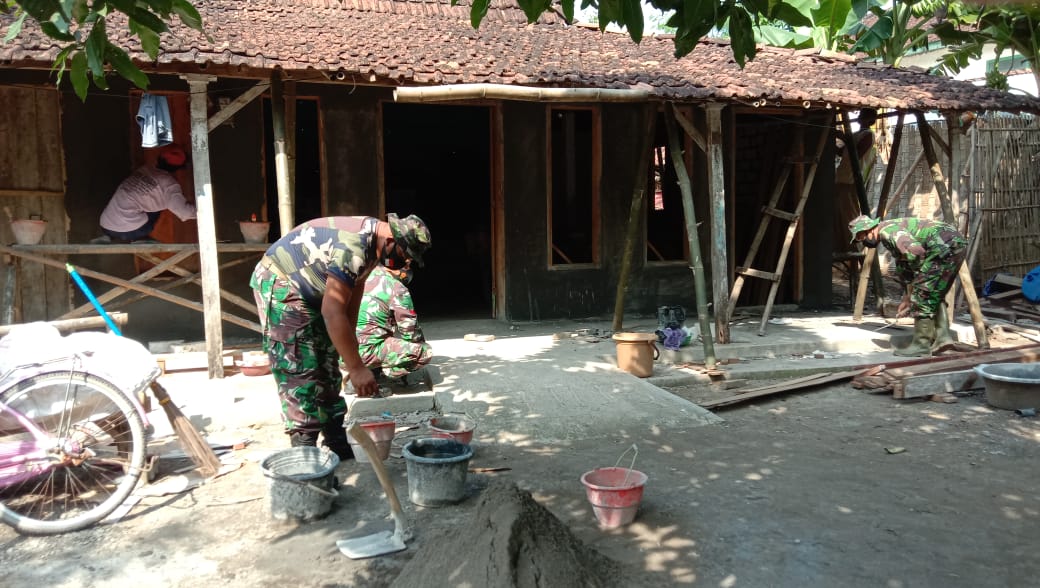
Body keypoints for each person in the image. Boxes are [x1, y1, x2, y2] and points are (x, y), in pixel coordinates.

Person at [250, 214, 432, 459]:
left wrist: (352, 353)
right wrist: (357, 368)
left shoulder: (370, 248)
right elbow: (332, 310)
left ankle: (336, 440)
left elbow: (352, 297)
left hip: (312, 291)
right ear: (391, 239)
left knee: (327, 358)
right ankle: (305, 455)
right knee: (300, 366)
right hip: (283, 284)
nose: (404, 260)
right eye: (404, 252)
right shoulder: (354, 246)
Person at [849, 214, 967, 357]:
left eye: (861, 237)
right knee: (934, 293)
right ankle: (943, 338)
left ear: (869, 229)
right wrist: (907, 297)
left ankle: (921, 345)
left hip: (942, 246)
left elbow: (915, 252)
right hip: (954, 244)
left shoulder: (888, 232)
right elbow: (904, 266)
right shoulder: (889, 231)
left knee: (923, 295)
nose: (862, 241)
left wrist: (917, 288)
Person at [94, 144, 196, 243]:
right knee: (158, 203)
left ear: (160, 157)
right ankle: (139, 238)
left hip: (105, 225)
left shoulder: (144, 169)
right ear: (179, 168)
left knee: (141, 200)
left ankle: (107, 237)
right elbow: (184, 213)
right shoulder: (170, 185)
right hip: (131, 232)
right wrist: (203, 211)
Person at [356, 264, 433, 390]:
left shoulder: (358, 277)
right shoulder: (396, 286)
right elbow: (410, 333)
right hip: (366, 353)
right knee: (424, 351)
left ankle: (353, 373)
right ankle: (385, 373)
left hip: (341, 352)